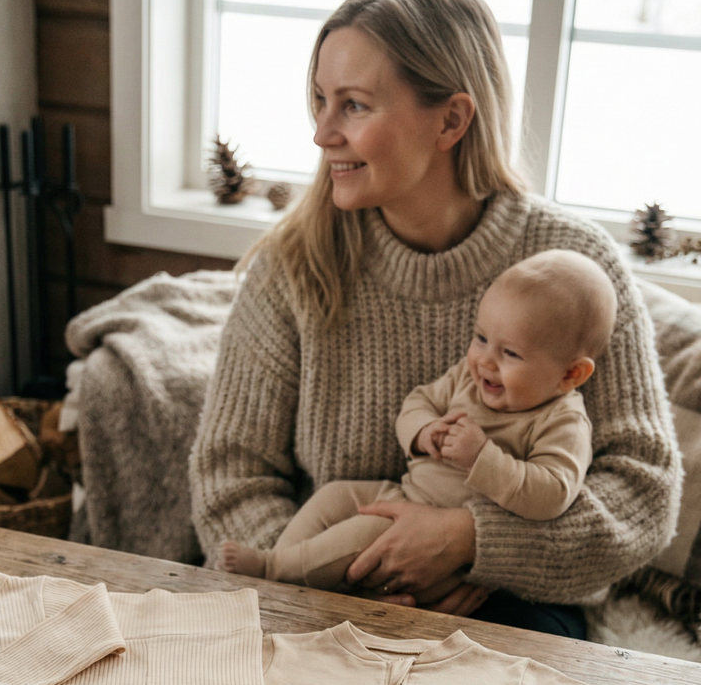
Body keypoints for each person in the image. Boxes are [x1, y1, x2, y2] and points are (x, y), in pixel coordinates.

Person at [187, 0, 680, 638]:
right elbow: (230, 475)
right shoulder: (294, 268)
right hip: (317, 596)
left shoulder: (576, 270)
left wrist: (472, 544)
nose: (321, 133)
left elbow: (643, 490)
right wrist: (338, 586)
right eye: (319, 99)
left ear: (450, 121)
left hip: (512, 605)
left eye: (354, 105)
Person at [220, 248, 616, 600]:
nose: (484, 361)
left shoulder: (562, 421)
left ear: (571, 375)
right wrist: (423, 432)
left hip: (447, 557)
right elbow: (419, 401)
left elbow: (552, 493)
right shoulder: (470, 375)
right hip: (405, 494)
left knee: (363, 534)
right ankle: (279, 569)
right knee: (334, 496)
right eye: (480, 338)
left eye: (510, 353)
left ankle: (275, 572)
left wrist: (482, 458)